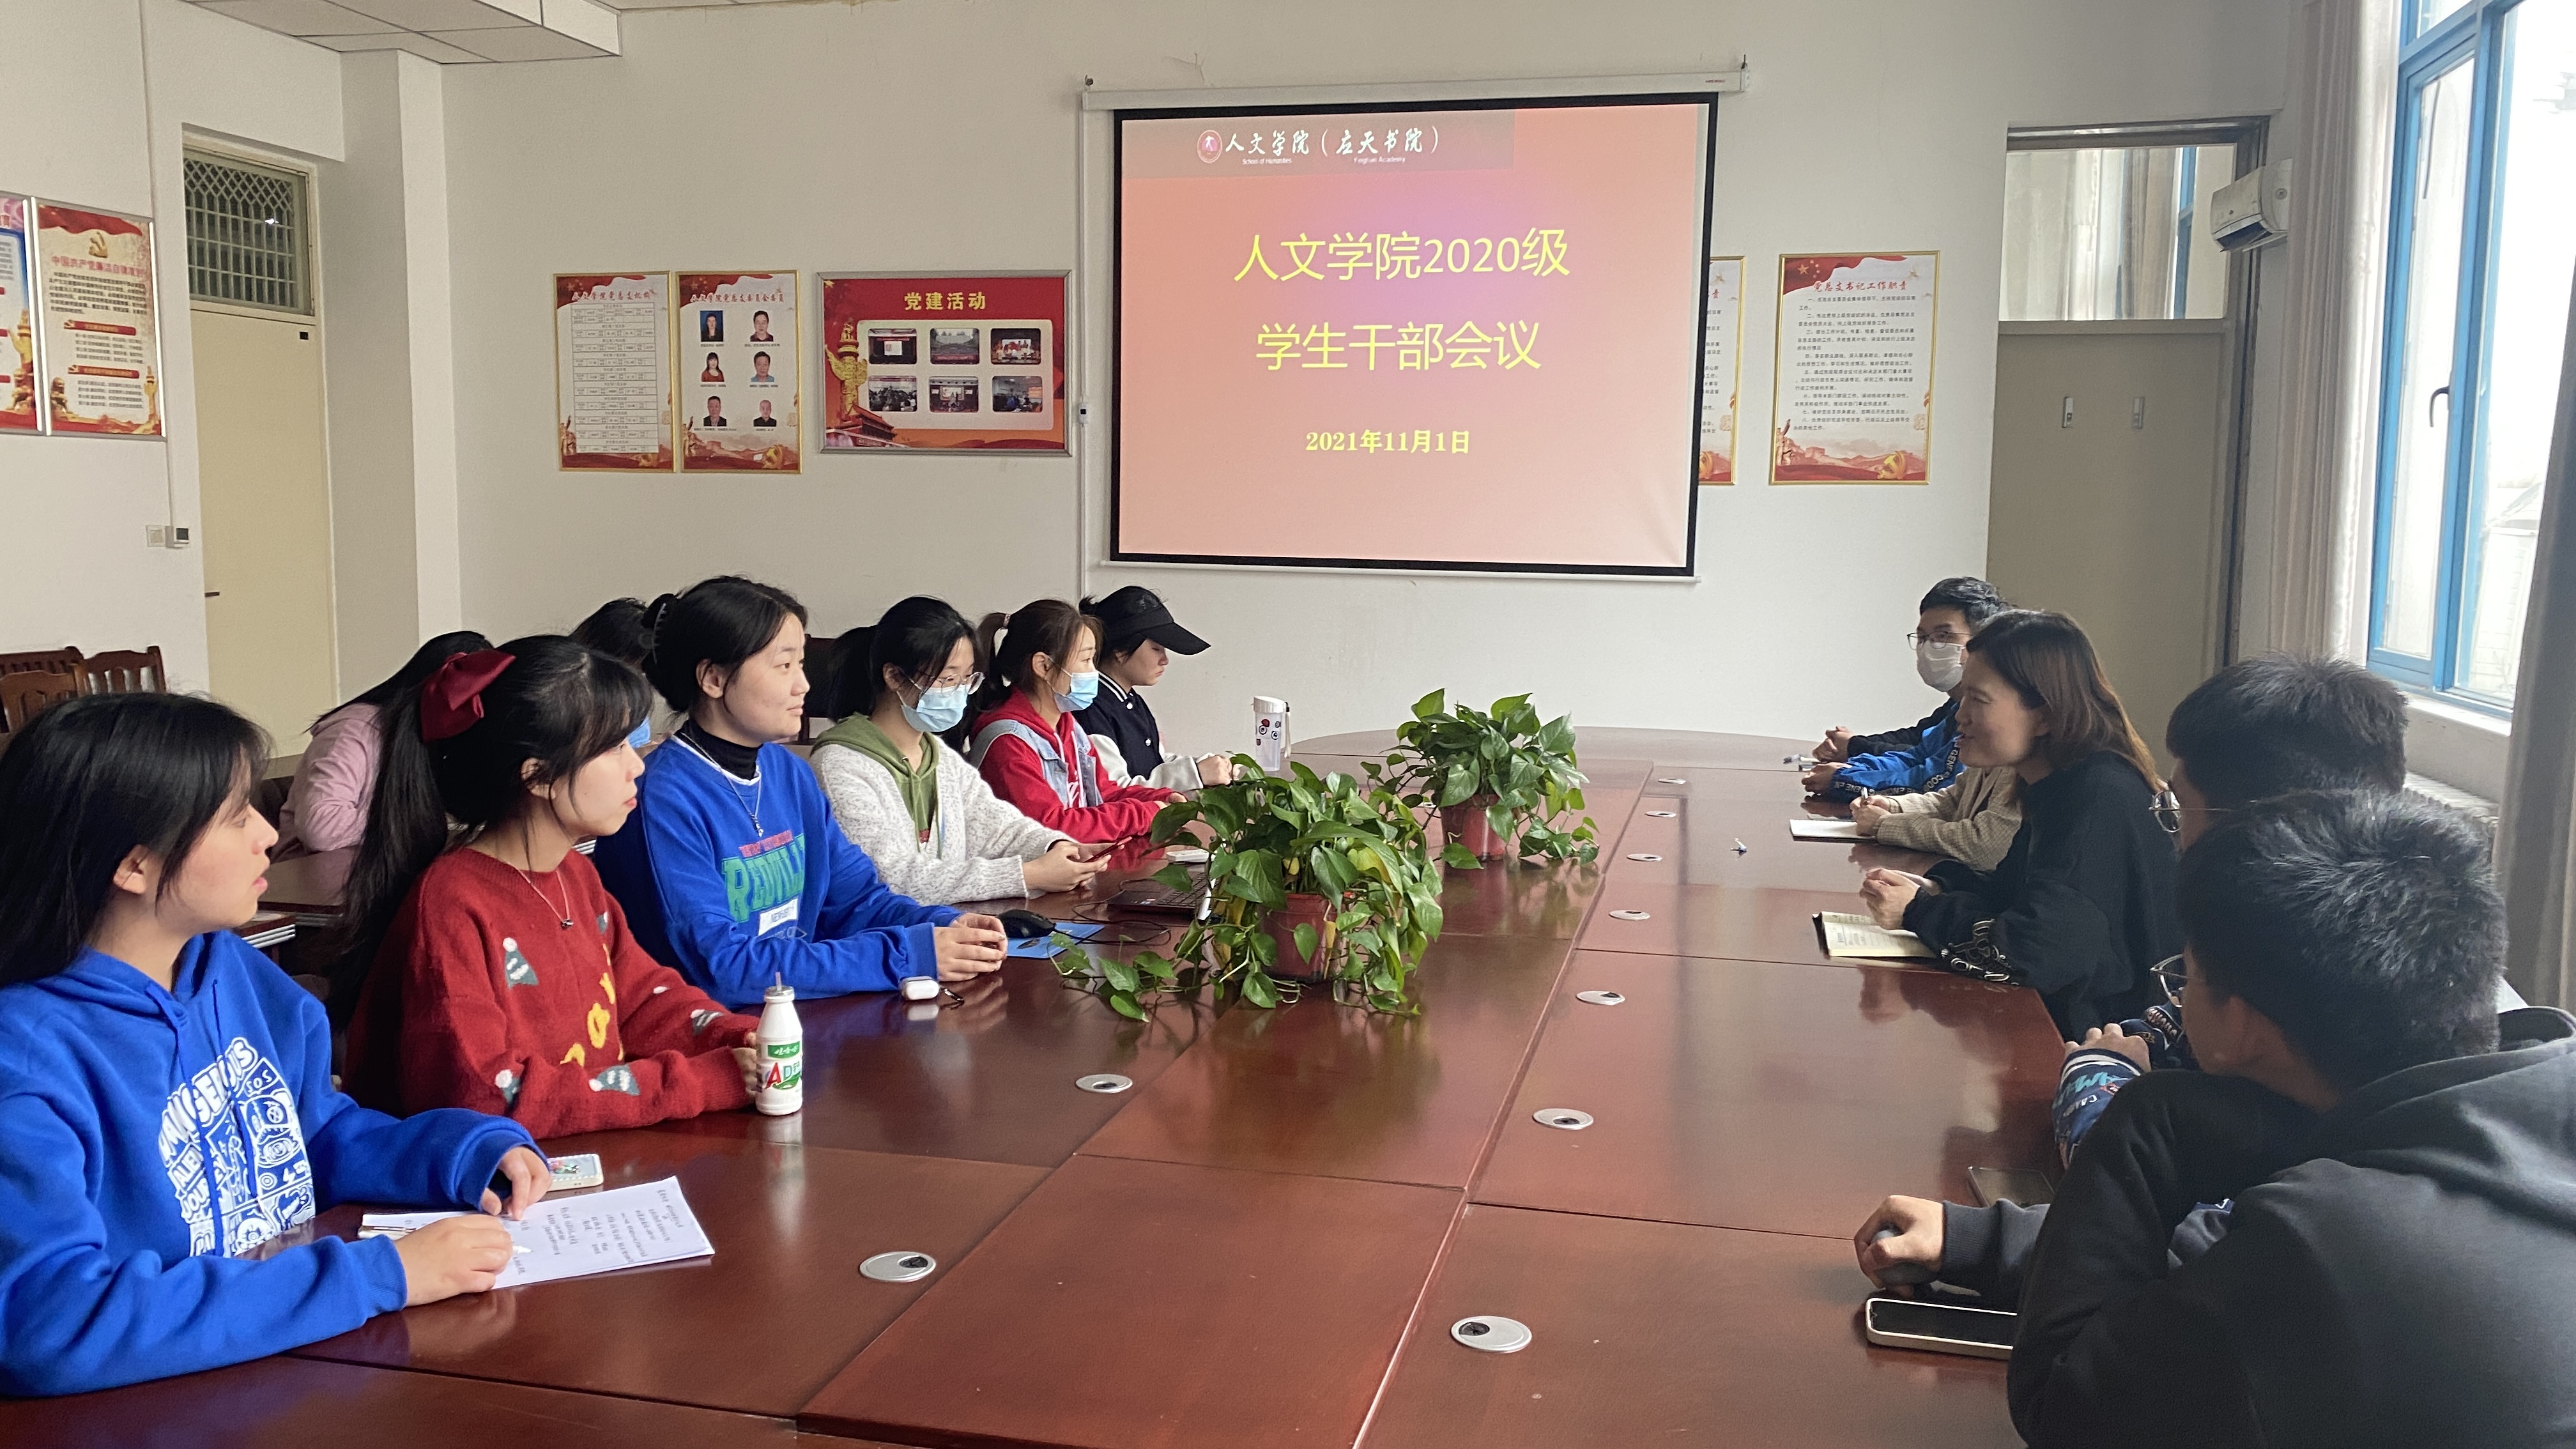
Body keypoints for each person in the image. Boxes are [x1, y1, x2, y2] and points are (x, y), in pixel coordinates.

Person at [0, 694, 550, 1398]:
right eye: (235, 816)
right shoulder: (28, 1055)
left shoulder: (231, 968)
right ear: (134, 866)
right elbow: (50, 1322)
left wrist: (457, 1151)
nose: (267, 833)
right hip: (155, 1402)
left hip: (286, 1364)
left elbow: (310, 1134)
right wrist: (380, 1275)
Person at [1855, 654, 2415, 1303]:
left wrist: (2100, 1079)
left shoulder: (2318, 981)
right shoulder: (2370, 927)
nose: (2169, 833)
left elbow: (2199, 1242)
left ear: (2249, 828)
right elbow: (2163, 1029)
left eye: (2178, 809)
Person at [2017, 792, 2572, 1446]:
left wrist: (2149, 1123)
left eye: (2186, 977)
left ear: (2241, 1025)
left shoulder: (2327, 1240)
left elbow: (2065, 1405)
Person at [337, 638, 762, 1138]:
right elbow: (483, 1094)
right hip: (496, 1180)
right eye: (614, 748)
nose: (637, 766)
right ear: (538, 778)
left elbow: (643, 1000)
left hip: (584, 1158)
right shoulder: (453, 902)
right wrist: (696, 1082)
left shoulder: (573, 873)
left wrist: (738, 1036)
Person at [592, 576, 1007, 1008]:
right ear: (713, 679)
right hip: (718, 1033)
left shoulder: (788, 772)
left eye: (801, 664)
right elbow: (722, 968)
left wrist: (944, 925)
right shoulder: (662, 798)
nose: (803, 685)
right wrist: (906, 954)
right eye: (783, 665)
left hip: (793, 1017)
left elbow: (855, 901)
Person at [1856, 610, 2174, 1036]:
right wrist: (1936, 887)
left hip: (2105, 1046)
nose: (1960, 716)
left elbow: (2031, 954)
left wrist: (1918, 912)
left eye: (1978, 699)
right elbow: (2015, 893)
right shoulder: (2057, 782)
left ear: (2044, 714)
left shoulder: (2095, 795)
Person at [811, 596, 1107, 905]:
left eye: (967, 679)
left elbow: (999, 829)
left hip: (949, 925)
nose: (960, 693)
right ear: (894, 676)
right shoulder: (841, 765)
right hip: (887, 932)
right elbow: (890, 877)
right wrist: (1028, 875)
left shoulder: (938, 756)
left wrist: (1058, 848)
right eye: (948, 679)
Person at [966, 599, 1179, 843]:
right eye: (1086, 660)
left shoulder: (1067, 725)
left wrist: (1158, 798)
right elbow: (1053, 826)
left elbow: (1103, 793)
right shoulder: (1007, 742)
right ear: (1044, 666)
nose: (1094, 673)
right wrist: (1144, 815)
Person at [277, 631, 491, 858]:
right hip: (306, 871)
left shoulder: (428, 740)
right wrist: (413, 818)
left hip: (381, 864)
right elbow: (320, 828)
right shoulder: (353, 730)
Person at [1805, 576, 2009, 800]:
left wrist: (1844, 779)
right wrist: (1852, 769)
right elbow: (1916, 756)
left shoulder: (1992, 710)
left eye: (1943, 635)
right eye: (1923, 637)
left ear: (1983, 641)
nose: (1929, 646)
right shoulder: (1956, 707)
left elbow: (1937, 783)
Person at [1075, 585, 1236, 792]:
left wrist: (1206, 766)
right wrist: (1195, 774)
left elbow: (1156, 763)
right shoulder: (1090, 709)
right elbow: (1114, 791)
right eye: (1156, 648)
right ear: (1120, 650)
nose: (1165, 660)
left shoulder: (1130, 700)